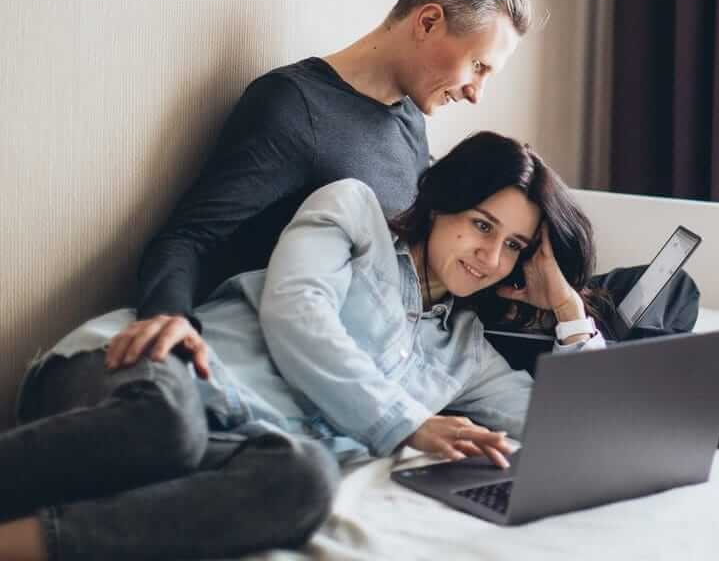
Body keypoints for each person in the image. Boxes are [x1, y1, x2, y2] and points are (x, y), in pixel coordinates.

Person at [0, 132, 607, 560]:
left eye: (514, 247)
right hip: (148, 373)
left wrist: (566, 309)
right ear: (445, 201)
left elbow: (579, 426)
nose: (490, 256)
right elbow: (298, 315)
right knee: (168, 423)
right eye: (482, 225)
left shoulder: (466, 352)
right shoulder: (353, 211)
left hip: (234, 445)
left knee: (306, 478)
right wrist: (408, 423)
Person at [117, 0, 530, 369]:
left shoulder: (409, 117)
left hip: (373, 358)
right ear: (428, 21)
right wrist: (168, 316)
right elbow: (189, 235)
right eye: (477, 67)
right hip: (279, 355)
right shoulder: (293, 107)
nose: (476, 92)